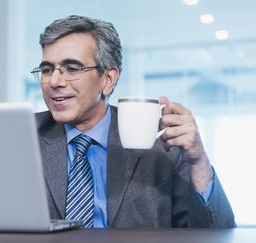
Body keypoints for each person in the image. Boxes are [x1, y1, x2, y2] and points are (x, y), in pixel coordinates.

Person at [32, 15, 235, 228]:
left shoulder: (162, 140)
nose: (54, 81)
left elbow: (220, 233)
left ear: (108, 80)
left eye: (72, 68)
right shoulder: (22, 138)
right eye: (47, 70)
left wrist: (199, 162)